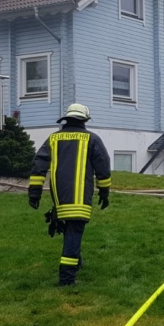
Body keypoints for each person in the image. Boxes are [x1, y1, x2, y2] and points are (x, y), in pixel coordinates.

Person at [28, 103, 111, 286]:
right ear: (85, 120)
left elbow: (39, 165)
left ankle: (77, 261)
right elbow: (103, 167)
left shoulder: (54, 138)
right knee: (75, 230)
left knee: (70, 229)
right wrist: (104, 192)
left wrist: (34, 193)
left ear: (66, 119)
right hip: (81, 196)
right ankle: (67, 278)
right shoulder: (92, 139)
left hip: (59, 195)